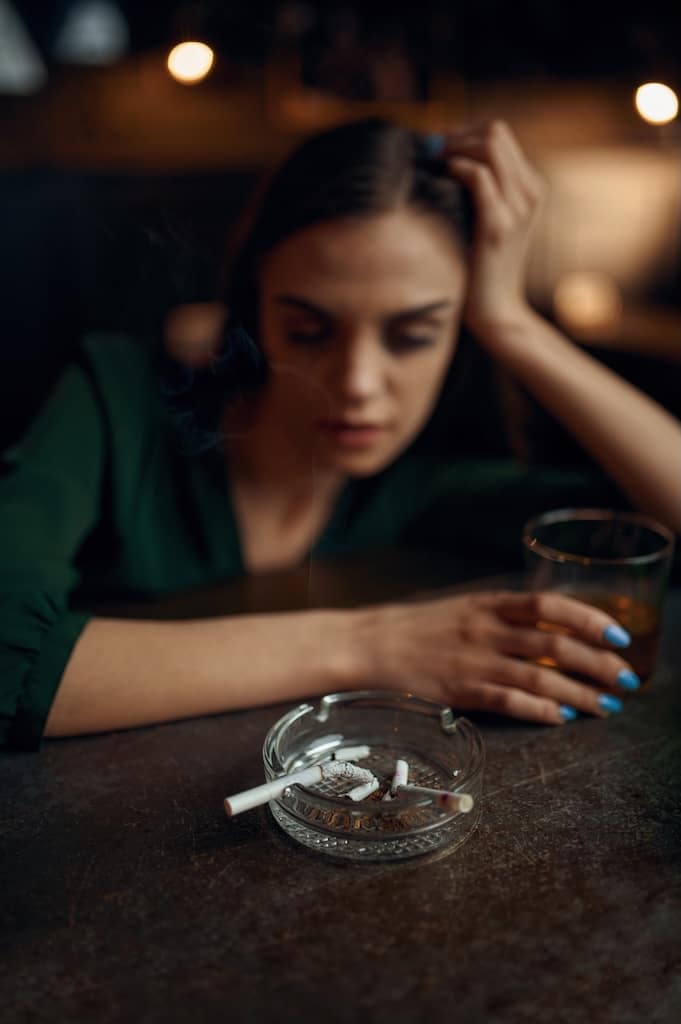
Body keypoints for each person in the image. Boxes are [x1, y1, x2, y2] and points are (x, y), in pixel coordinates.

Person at [1, 117, 679, 752]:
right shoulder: (114, 397)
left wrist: (512, 322)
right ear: (254, 305)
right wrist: (370, 645)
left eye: (413, 335)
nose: (357, 382)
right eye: (308, 331)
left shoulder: (427, 483)